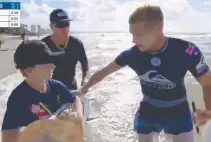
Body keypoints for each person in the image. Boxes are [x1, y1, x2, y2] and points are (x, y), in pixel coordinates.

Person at [79, 5, 211, 142]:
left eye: (139, 35)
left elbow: (207, 82)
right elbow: (105, 71)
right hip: (149, 107)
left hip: (178, 108)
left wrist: (209, 111)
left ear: (159, 28)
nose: (133, 40)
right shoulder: (132, 54)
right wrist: (84, 88)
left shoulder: (186, 51)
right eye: (132, 34)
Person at [1, 40, 83, 142]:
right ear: (29, 70)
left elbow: (75, 98)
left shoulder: (56, 86)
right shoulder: (19, 98)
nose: (53, 65)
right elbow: (7, 136)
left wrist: (78, 115)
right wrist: (41, 128)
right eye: (47, 61)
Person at [42, 8, 89, 90]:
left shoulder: (77, 44)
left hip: (71, 87)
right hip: (48, 89)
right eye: (60, 25)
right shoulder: (42, 46)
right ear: (51, 27)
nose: (65, 29)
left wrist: (84, 80)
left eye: (67, 24)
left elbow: (85, 67)